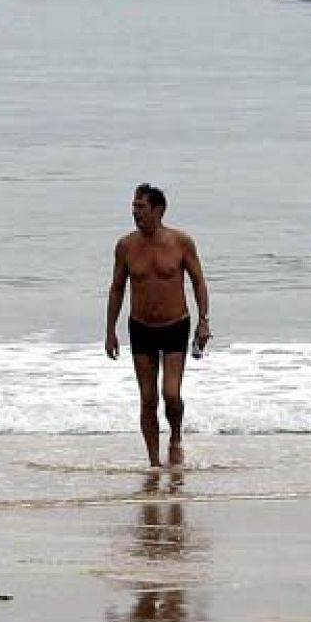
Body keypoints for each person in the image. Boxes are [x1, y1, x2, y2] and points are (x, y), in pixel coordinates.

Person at [104, 183, 210, 469]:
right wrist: (110, 330)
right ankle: (154, 463)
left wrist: (203, 321)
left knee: (171, 394)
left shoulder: (180, 242)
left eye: (141, 207)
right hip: (140, 327)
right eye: (134, 207)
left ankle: (175, 438)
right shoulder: (126, 246)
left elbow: (199, 281)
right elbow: (117, 288)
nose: (135, 212)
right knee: (148, 398)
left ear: (158, 209)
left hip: (175, 324)